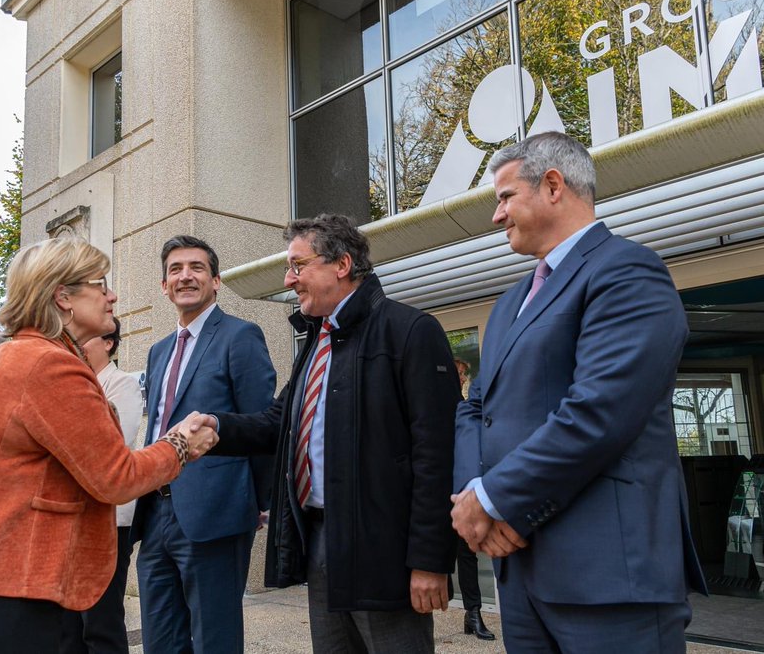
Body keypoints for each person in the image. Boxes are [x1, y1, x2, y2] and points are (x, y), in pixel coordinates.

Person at [450, 132, 707, 652]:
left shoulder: (627, 271)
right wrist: (474, 497)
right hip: (520, 575)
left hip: (608, 577)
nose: (496, 217)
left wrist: (496, 499)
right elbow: (475, 409)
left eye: (504, 198)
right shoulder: (509, 303)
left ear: (552, 186)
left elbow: (598, 413)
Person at [0, 237, 217, 653]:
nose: (112, 296)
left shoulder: (16, 355)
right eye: (100, 285)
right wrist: (179, 444)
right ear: (62, 296)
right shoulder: (49, 365)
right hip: (1, 585)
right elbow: (115, 477)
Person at [198, 214, 460, 652]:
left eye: (298, 266)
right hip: (321, 542)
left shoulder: (410, 331)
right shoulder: (317, 342)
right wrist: (216, 427)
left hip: (386, 554)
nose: (289, 279)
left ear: (341, 264)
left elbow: (437, 456)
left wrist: (431, 562)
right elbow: (276, 423)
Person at [133, 236, 276, 654]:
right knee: (160, 640)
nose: (185, 276)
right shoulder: (159, 351)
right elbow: (156, 427)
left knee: (215, 640)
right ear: (164, 286)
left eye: (196, 268)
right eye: (175, 270)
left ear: (215, 281)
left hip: (214, 511)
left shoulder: (240, 336)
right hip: (155, 511)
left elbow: (262, 425)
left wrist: (261, 502)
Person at [72, 316, 145, 653]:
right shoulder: (69, 383)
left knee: (101, 618)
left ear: (109, 344)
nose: (76, 344)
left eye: (85, 338)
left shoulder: (122, 385)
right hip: (69, 517)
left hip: (109, 519)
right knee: (69, 620)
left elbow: (114, 445)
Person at [449, 358, 494, 641]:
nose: (464, 378)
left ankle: (473, 613)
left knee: (467, 552)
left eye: (465, 374)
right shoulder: (438, 397)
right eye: (462, 373)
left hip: (461, 483)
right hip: (439, 483)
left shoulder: (465, 402)